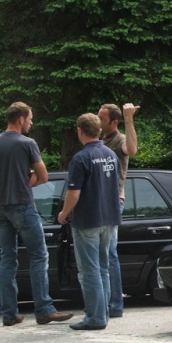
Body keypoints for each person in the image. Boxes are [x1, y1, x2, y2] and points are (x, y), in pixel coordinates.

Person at [0, 102, 74, 327]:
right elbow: (44, 176)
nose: (31, 122)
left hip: (0, 207)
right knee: (38, 256)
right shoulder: (27, 143)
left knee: (7, 259)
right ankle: (44, 308)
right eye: (30, 118)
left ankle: (9, 313)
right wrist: (31, 176)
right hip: (23, 205)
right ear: (21, 119)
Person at [58, 113, 122, 331]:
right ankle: (102, 313)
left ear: (80, 131)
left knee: (89, 271)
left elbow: (74, 193)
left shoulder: (81, 158)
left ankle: (95, 317)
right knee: (104, 268)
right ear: (99, 130)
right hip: (110, 218)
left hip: (88, 220)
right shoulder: (111, 155)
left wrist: (64, 212)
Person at [98, 102, 139, 318]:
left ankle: (114, 305)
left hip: (113, 201)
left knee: (109, 253)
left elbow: (132, 150)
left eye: (102, 119)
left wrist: (129, 119)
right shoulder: (98, 140)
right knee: (101, 254)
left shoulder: (119, 139)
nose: (98, 121)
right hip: (98, 203)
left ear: (114, 122)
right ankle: (104, 302)